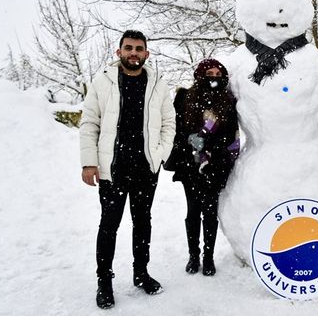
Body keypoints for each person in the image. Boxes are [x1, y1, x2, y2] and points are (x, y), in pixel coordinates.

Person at [80, 30, 175, 309]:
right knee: (109, 226)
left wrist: (159, 155)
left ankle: (141, 273)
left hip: (145, 168)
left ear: (146, 54)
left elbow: (169, 123)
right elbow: (90, 123)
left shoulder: (158, 84)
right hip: (114, 169)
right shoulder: (103, 81)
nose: (134, 52)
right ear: (119, 51)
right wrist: (89, 162)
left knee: (142, 222)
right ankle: (104, 281)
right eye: (129, 48)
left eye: (139, 49)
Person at [164, 59, 239, 277]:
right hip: (189, 165)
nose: (214, 76)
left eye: (218, 73)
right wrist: (190, 141)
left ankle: (208, 257)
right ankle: (193, 256)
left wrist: (210, 148)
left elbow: (231, 134)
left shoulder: (227, 101)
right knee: (193, 211)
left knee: (210, 212)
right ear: (200, 75)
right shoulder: (185, 98)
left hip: (216, 165)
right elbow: (175, 129)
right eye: (210, 72)